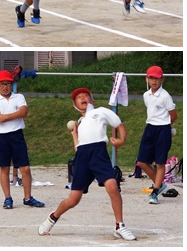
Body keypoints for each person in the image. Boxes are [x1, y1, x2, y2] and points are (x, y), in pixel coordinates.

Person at [38, 87, 136, 241]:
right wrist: (74, 135)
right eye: (79, 97)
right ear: (75, 105)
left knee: (112, 186)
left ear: (92, 101)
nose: (83, 98)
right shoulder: (80, 122)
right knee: (73, 199)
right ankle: (52, 218)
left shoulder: (100, 112)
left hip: (99, 154)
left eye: (86, 95)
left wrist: (122, 140)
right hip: (82, 157)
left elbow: (119, 124)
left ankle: (120, 226)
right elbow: (79, 148)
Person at [0, 70, 45, 209]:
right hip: (1, 137)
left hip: (17, 135)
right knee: (4, 168)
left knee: (25, 168)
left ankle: (28, 197)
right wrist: (14, 115)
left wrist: (6, 116)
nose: (5, 87)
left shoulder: (19, 97)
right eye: (2, 84)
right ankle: (8, 198)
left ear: (12, 84)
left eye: (8, 83)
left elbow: (23, 112)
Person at [137, 66, 177, 204]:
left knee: (160, 162)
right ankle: (160, 185)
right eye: (151, 78)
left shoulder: (165, 96)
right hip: (150, 128)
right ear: (146, 79)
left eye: (157, 78)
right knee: (141, 162)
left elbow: (173, 115)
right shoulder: (146, 95)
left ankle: (155, 192)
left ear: (162, 79)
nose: (154, 81)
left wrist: (166, 127)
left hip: (163, 129)